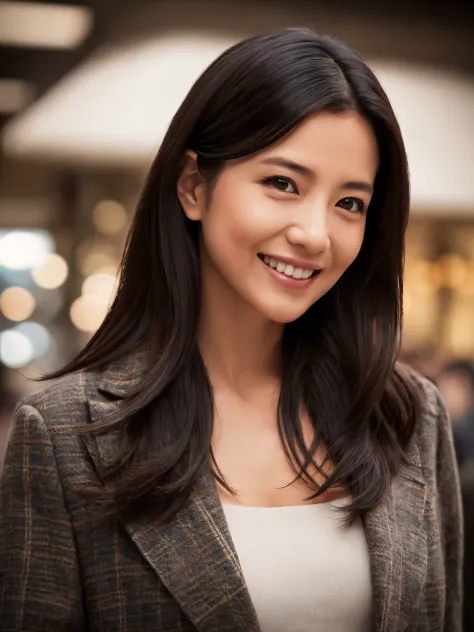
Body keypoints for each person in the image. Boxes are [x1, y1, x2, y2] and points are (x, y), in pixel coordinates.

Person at [0, 28, 463, 632]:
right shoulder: (65, 437)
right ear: (195, 186)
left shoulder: (409, 417)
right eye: (282, 184)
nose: (315, 234)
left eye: (349, 203)